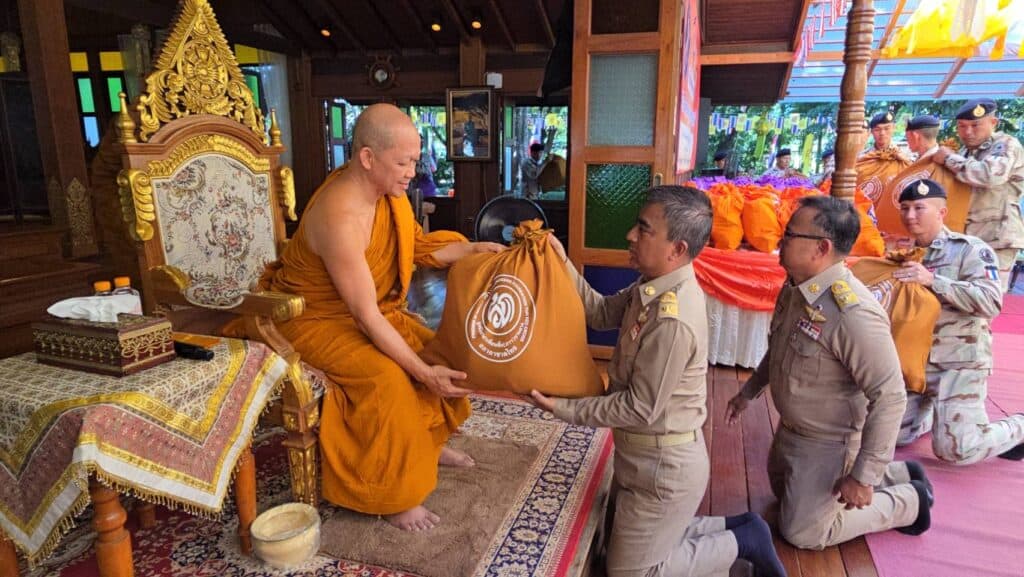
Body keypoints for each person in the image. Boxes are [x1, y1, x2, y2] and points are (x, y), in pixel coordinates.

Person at [226, 104, 504, 531]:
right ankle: (391, 495)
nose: (413, 172)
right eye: (403, 162)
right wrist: (423, 375)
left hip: (359, 310)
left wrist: (472, 249)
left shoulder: (388, 194)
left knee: (434, 349)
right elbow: (366, 316)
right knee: (387, 376)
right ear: (368, 158)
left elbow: (413, 246)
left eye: (415, 160)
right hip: (311, 319)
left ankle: (425, 447)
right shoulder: (339, 216)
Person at [530, 186, 787, 577]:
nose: (631, 235)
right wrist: (560, 260)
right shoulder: (654, 285)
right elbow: (599, 313)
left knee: (629, 573)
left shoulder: (672, 319)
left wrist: (562, 408)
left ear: (677, 249)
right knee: (611, 551)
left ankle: (744, 542)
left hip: (662, 472)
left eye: (644, 229)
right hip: (639, 458)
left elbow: (639, 408)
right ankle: (740, 527)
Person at [725, 196, 933, 550]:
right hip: (793, 430)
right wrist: (749, 392)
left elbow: (890, 397)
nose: (780, 241)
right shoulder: (797, 286)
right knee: (781, 497)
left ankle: (909, 502)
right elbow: (780, 348)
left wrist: (864, 477)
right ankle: (897, 472)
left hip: (830, 441)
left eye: (790, 235)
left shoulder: (853, 313)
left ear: (821, 248)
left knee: (803, 532)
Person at [893, 178, 1024, 463]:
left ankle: (1019, 427)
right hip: (913, 362)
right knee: (888, 436)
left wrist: (934, 281)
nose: (910, 215)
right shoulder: (900, 253)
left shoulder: (970, 250)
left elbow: (991, 302)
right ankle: (936, 413)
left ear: (941, 212)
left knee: (957, 450)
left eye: (919, 208)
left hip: (957, 363)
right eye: (905, 208)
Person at [931, 98, 1024, 293]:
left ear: (993, 122)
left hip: (996, 236)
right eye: (962, 126)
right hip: (966, 236)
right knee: (959, 293)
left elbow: (989, 175)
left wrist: (948, 159)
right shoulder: (965, 152)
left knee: (986, 294)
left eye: (975, 125)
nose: (968, 132)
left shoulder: (1006, 144)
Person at [877, 115, 972, 243]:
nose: (907, 141)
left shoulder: (942, 166)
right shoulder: (920, 162)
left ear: (915, 136)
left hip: (931, 240)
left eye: (907, 137)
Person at [856, 112, 912, 204]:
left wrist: (905, 160)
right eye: (877, 130)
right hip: (868, 207)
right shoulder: (863, 157)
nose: (882, 133)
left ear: (893, 128)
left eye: (887, 128)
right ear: (871, 132)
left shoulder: (906, 155)